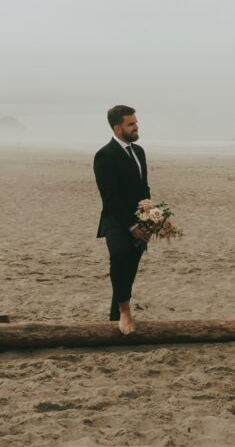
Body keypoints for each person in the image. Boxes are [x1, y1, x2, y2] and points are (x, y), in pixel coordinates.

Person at [93, 105, 152, 334]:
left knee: (129, 269)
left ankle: (113, 318)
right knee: (118, 257)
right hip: (115, 220)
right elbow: (110, 198)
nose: (136, 126)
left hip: (140, 219)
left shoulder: (139, 152)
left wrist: (151, 215)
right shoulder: (104, 155)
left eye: (136, 122)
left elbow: (143, 187)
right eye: (131, 124)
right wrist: (132, 225)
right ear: (118, 128)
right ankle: (125, 312)